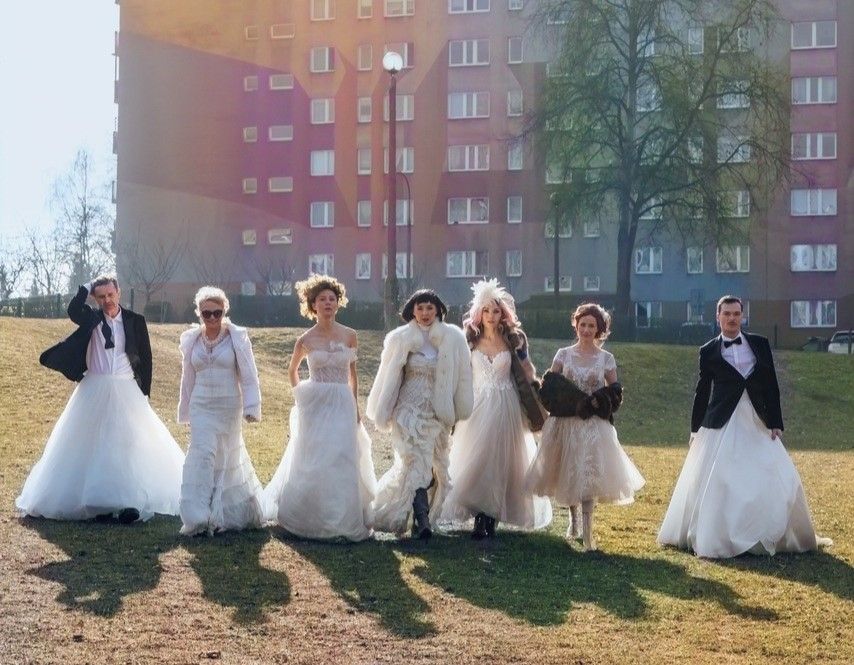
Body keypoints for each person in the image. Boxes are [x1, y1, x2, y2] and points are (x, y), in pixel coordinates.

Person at [658, 295, 832, 558]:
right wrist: (695, 429)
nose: (732, 318)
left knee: (778, 477)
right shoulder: (708, 351)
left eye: (736, 313)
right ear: (718, 317)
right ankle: (717, 536)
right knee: (719, 480)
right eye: (726, 314)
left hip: (756, 419)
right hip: (721, 421)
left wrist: (775, 421)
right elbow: (702, 392)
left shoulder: (760, 344)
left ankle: (770, 533)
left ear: (742, 316)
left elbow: (771, 384)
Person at [17, 275, 184, 523]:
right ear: (95, 299)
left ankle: (128, 502)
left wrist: (144, 392)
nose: (107, 300)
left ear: (119, 292)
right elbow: (73, 310)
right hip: (94, 388)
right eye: (101, 296)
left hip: (126, 389)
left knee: (127, 444)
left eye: (110, 294)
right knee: (92, 443)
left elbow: (146, 357)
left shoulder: (135, 320)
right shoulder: (91, 318)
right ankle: (99, 504)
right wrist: (87, 287)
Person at [263, 275, 376, 541]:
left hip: (342, 400)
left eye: (332, 299)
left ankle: (340, 519)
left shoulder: (350, 335)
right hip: (315, 402)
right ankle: (309, 516)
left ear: (338, 303)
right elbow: (292, 370)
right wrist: (301, 396)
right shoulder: (305, 339)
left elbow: (353, 376)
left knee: (341, 455)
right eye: (322, 299)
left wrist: (356, 407)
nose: (327, 303)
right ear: (313, 305)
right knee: (314, 455)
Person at [526, 303, 644, 551]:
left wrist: (600, 401)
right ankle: (574, 520)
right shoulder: (563, 354)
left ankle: (589, 533)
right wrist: (563, 402)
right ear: (576, 326)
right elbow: (550, 387)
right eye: (583, 325)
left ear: (599, 329)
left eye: (592, 326)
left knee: (588, 474)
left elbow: (615, 391)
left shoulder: (606, 358)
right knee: (568, 471)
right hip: (565, 422)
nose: (587, 330)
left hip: (593, 425)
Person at [441, 279, 552, 538]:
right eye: (486, 311)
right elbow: (458, 373)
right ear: (479, 313)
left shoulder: (514, 340)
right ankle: (478, 512)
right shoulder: (468, 340)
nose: (491, 316)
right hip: (476, 405)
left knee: (500, 461)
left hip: (506, 404)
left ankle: (489, 517)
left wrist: (537, 394)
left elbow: (527, 370)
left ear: (503, 314)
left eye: (496, 311)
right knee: (476, 458)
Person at [367, 289, 473, 539]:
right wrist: (385, 408)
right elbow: (387, 377)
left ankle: (420, 517)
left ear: (438, 310)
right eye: (420, 308)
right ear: (412, 311)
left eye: (429, 308)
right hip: (408, 409)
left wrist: (457, 409)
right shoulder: (400, 338)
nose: (425, 313)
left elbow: (462, 377)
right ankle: (422, 519)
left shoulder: (453, 338)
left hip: (437, 412)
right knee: (414, 461)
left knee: (434, 465)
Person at [177, 286, 266, 536]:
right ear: (199, 314)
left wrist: (251, 407)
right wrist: (186, 411)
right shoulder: (192, 340)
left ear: (224, 311)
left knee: (226, 457)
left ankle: (225, 513)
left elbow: (249, 374)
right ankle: (197, 516)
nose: (212, 318)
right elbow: (187, 378)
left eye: (217, 312)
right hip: (201, 405)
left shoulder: (236, 337)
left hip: (228, 405)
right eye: (207, 313)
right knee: (202, 454)